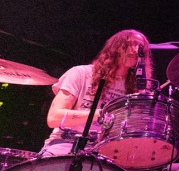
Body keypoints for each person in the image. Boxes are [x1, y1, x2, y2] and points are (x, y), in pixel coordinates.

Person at [41, 29, 153, 157]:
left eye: (141, 47)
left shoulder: (136, 90)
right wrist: (100, 114)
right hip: (66, 143)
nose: (135, 50)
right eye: (131, 43)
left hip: (107, 151)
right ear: (116, 47)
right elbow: (54, 118)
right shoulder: (81, 73)